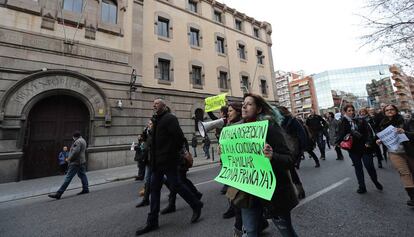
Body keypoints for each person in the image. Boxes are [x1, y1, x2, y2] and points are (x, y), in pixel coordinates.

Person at [135, 99, 204, 236]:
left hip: (168, 161)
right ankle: (152, 221)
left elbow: (179, 138)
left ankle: (196, 204)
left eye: (157, 103)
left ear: (164, 106)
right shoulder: (155, 121)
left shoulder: (170, 119)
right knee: (154, 189)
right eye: (153, 103)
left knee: (176, 185)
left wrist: (174, 154)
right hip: (156, 163)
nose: (154, 105)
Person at [235, 93, 298, 237]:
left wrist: (272, 157)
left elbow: (289, 159)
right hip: (249, 192)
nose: (244, 106)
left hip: (273, 193)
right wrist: (225, 153)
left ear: (258, 110)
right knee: (250, 232)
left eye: (249, 104)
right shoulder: (237, 131)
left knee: (286, 231)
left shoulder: (270, 128)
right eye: (243, 103)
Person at [336, 104, 383, 194]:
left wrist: (369, 143)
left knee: (369, 166)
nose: (351, 112)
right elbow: (339, 136)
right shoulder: (342, 122)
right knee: (358, 168)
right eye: (349, 111)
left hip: (365, 147)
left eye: (352, 110)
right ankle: (362, 186)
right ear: (345, 112)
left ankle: (375, 181)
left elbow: (369, 132)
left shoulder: (360, 120)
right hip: (353, 149)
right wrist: (340, 143)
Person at [377, 104, 414, 206]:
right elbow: (383, 137)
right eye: (387, 110)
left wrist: (404, 132)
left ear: (396, 110)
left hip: (409, 151)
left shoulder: (405, 121)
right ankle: (412, 197)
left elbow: (412, 133)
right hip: (395, 153)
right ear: (384, 112)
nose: (389, 111)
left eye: (391, 109)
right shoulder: (382, 124)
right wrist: (380, 141)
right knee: (404, 173)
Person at [160, 137, 203, 214]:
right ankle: (196, 194)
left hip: (180, 162)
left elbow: (183, 149)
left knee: (178, 182)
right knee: (181, 181)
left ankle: (172, 204)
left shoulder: (176, 134)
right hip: (177, 162)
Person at [48, 131, 89, 199]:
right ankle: (86, 189)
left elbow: (75, 152)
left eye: (73, 137)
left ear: (75, 137)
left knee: (68, 177)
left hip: (76, 162)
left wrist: (69, 159)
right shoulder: (83, 140)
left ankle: (59, 193)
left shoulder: (77, 141)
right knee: (82, 175)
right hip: (82, 161)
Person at [278, 106, 307, 199]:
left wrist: (301, 149)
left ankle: (299, 190)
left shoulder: (293, 120)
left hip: (292, 149)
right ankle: (294, 191)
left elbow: (302, 133)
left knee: (291, 169)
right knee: (288, 170)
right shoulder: (277, 122)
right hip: (282, 149)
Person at [136, 119, 154, 208]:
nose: (149, 125)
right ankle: (146, 199)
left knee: (151, 179)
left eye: (150, 124)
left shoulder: (154, 133)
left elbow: (150, 145)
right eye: (148, 124)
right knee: (147, 179)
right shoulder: (148, 133)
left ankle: (173, 190)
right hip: (148, 160)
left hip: (153, 160)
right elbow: (145, 144)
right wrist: (141, 137)